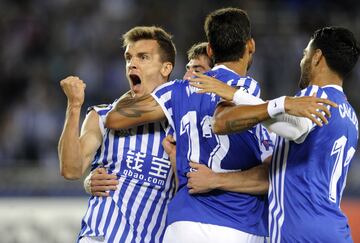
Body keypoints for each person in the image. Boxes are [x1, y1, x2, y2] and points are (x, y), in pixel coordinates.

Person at [104, 8, 332, 243]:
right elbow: (269, 176)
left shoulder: (175, 91)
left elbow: (114, 118)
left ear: (211, 51)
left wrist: (135, 77)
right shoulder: (247, 91)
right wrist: (280, 105)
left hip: (183, 225)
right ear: (250, 46)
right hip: (239, 224)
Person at [188, 26, 359, 242]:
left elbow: (295, 128)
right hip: (336, 231)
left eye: (305, 54)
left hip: (302, 232)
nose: (302, 61)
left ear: (317, 57)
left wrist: (234, 94)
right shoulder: (350, 115)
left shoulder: (315, 95)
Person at [58, 26, 177, 243]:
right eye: (128, 57)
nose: (132, 63)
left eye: (143, 57)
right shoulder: (101, 115)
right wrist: (74, 106)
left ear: (166, 68)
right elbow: (71, 169)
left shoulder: (181, 124)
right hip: (101, 237)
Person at [85, 41, 214, 197]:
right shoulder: (176, 112)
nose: (187, 77)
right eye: (188, 69)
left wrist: (218, 180)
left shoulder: (234, 114)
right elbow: (113, 119)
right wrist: (90, 181)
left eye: (197, 70)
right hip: (181, 216)